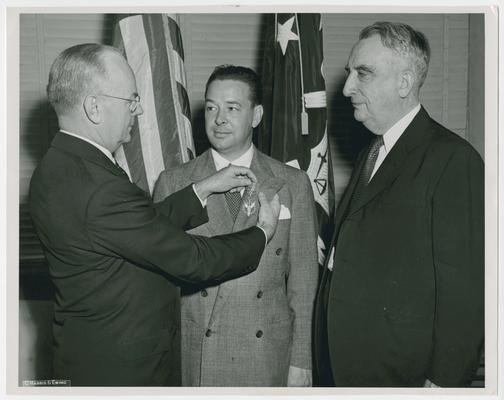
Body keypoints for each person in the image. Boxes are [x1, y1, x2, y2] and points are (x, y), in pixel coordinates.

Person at [29, 44, 281, 387]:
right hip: (124, 372)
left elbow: (134, 228)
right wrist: (262, 232)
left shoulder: (57, 166)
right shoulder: (99, 185)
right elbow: (194, 259)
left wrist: (201, 189)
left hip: (88, 355)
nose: (140, 110)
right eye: (131, 100)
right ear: (94, 107)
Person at [314, 22, 484, 387]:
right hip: (345, 366)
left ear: (404, 83)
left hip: (398, 375)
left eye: (364, 74)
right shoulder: (371, 152)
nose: (346, 88)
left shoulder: (453, 160)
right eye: (349, 74)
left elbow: (464, 292)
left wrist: (443, 383)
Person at [153, 65, 318, 387]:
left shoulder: (292, 183)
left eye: (232, 108)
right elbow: (157, 289)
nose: (219, 119)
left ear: (256, 115)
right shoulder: (173, 183)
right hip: (194, 354)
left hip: (267, 355)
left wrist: (301, 361)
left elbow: (303, 284)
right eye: (212, 107)